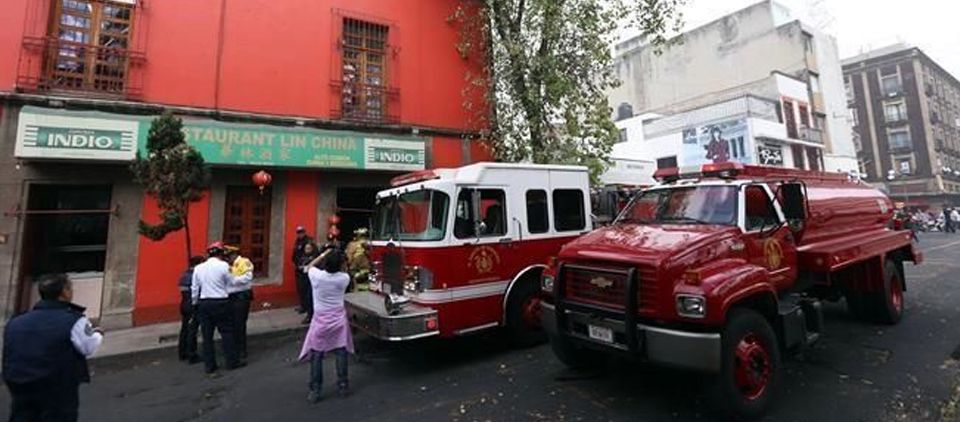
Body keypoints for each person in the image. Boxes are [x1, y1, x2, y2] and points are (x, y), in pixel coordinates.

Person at [3, 274, 103, 422]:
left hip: (19, 384)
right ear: (64, 292)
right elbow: (88, 347)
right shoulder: (73, 319)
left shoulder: (16, 322)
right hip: (56, 386)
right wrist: (98, 334)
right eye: (70, 288)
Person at [299, 248, 353, 403]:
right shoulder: (344, 278)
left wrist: (323, 254)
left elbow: (308, 267)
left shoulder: (317, 276)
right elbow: (343, 270)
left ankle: (316, 390)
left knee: (317, 355)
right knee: (341, 351)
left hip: (320, 320)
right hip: (338, 320)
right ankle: (343, 384)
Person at [192, 241, 245, 374]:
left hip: (204, 302)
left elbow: (194, 289)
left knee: (207, 336)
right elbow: (232, 282)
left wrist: (195, 303)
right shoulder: (223, 266)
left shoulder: (198, 268)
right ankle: (232, 361)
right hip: (221, 301)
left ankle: (210, 365)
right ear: (220, 254)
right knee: (227, 332)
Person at [225, 245, 254, 360]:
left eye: (228, 256)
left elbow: (247, 277)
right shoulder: (228, 265)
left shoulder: (244, 262)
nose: (227, 259)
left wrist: (232, 281)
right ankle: (233, 347)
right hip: (230, 296)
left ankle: (241, 350)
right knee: (232, 324)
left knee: (240, 324)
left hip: (241, 296)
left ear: (234, 254)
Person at [178, 256, 205, 364]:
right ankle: (192, 354)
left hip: (184, 304)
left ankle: (182, 352)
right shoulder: (195, 276)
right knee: (192, 330)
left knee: (184, 329)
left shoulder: (184, 276)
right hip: (192, 305)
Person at [292, 226, 314, 315]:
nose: (299, 234)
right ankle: (302, 305)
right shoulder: (297, 241)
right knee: (299, 288)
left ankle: (306, 307)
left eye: (301, 232)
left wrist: (305, 265)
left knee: (305, 289)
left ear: (304, 232)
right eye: (298, 232)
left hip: (305, 270)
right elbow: (295, 253)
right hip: (298, 268)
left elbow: (311, 255)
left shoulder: (309, 241)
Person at [297, 242, 320, 324]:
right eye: (306, 248)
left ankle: (310, 316)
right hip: (303, 279)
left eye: (309, 248)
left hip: (311, 281)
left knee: (310, 298)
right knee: (304, 296)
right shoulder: (303, 257)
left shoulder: (315, 258)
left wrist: (305, 268)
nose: (307, 250)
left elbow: (314, 268)